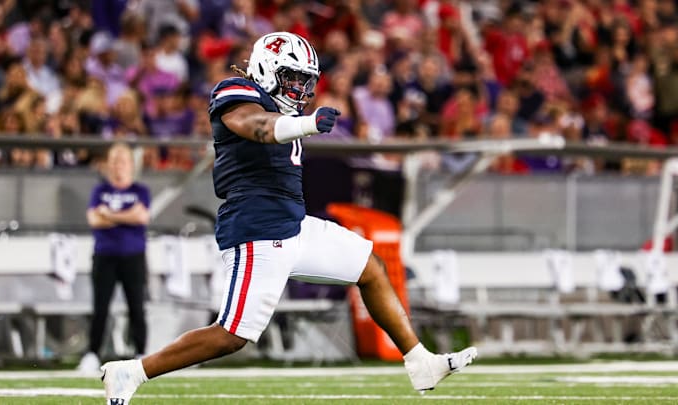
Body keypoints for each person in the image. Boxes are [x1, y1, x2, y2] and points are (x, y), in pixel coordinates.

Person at [100, 32, 477, 403]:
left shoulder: (283, 108)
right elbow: (258, 127)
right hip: (257, 231)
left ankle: (419, 361)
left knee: (371, 266)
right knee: (232, 335)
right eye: (291, 77)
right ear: (266, 69)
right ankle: (131, 372)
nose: (298, 88)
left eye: (305, 81)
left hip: (294, 225)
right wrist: (307, 123)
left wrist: (301, 121)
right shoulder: (237, 93)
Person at [78, 143, 151, 373]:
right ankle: (92, 353)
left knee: (136, 306)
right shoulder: (99, 191)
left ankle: (141, 352)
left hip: (133, 256)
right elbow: (93, 220)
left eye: (122, 161)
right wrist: (126, 216)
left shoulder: (141, 191)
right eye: (114, 162)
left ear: (130, 165)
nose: (118, 167)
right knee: (100, 307)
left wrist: (109, 214)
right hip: (105, 255)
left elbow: (141, 217)